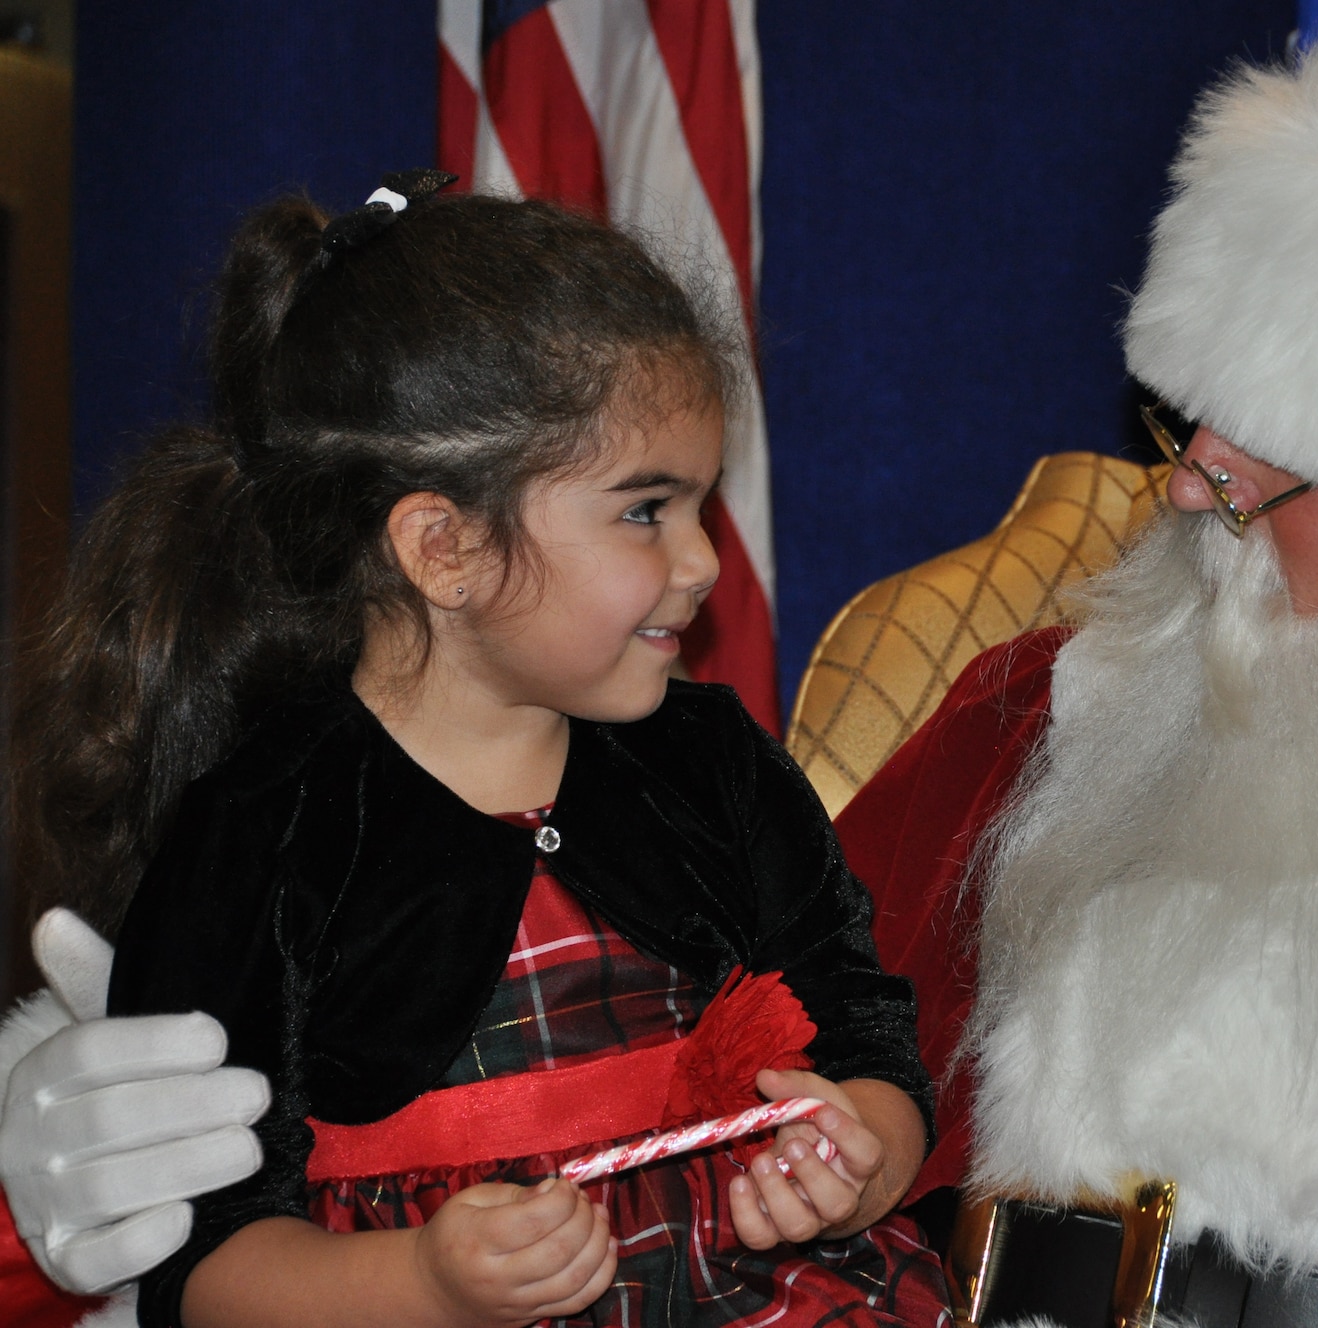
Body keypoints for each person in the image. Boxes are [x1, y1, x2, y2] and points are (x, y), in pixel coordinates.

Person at [7, 3, 1318, 1326]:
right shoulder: (1048, 716)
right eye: (1185, 415)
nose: (1191, 495)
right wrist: (151, 1171)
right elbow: (601, 1053)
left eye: (1279, 449)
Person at [0, 177, 949, 1328]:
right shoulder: (257, 830)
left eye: (699, 506)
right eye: (646, 509)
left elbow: (872, 1041)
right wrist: (425, 1280)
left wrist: (862, 1158)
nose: (701, 561)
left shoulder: (713, 760)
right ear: (442, 548)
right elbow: (205, 1269)